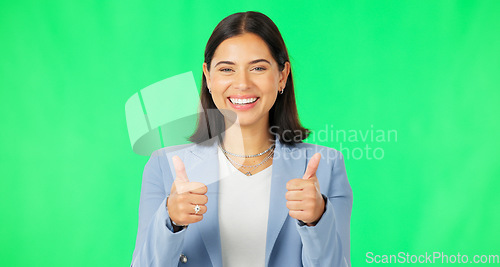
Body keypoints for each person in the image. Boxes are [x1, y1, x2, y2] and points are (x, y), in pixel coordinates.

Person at [131, 11, 353, 267]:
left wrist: (317, 220)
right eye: (227, 69)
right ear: (208, 76)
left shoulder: (327, 165)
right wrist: (170, 222)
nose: (242, 83)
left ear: (282, 76)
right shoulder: (163, 165)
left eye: (258, 68)